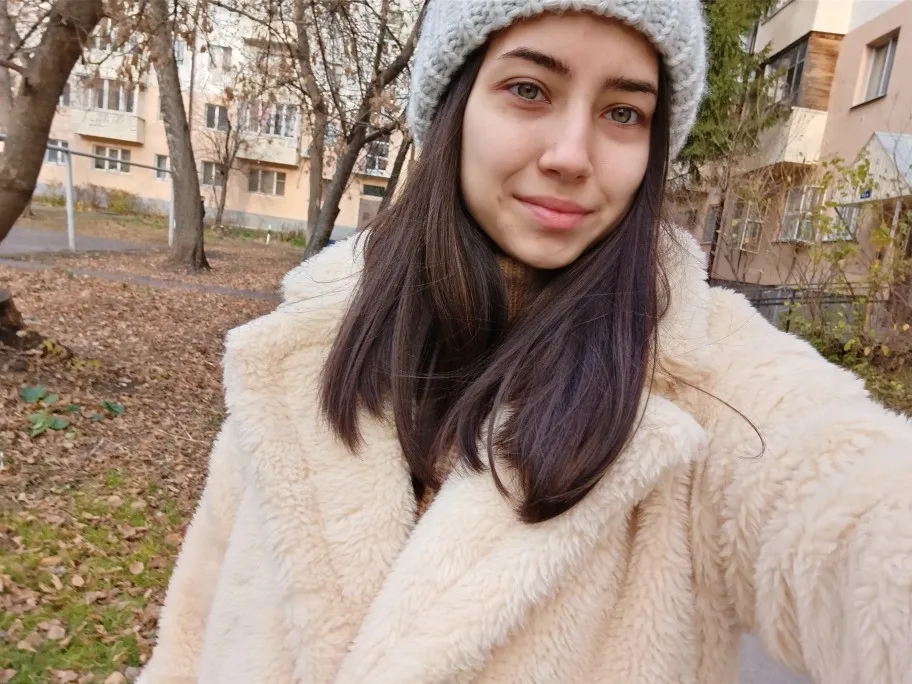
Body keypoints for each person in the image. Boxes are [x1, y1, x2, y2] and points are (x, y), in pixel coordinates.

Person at [139, 2, 912, 683]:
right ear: (454, 104)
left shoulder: (710, 377)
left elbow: (853, 511)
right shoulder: (302, 348)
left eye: (623, 113)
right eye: (529, 90)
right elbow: (191, 640)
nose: (572, 155)